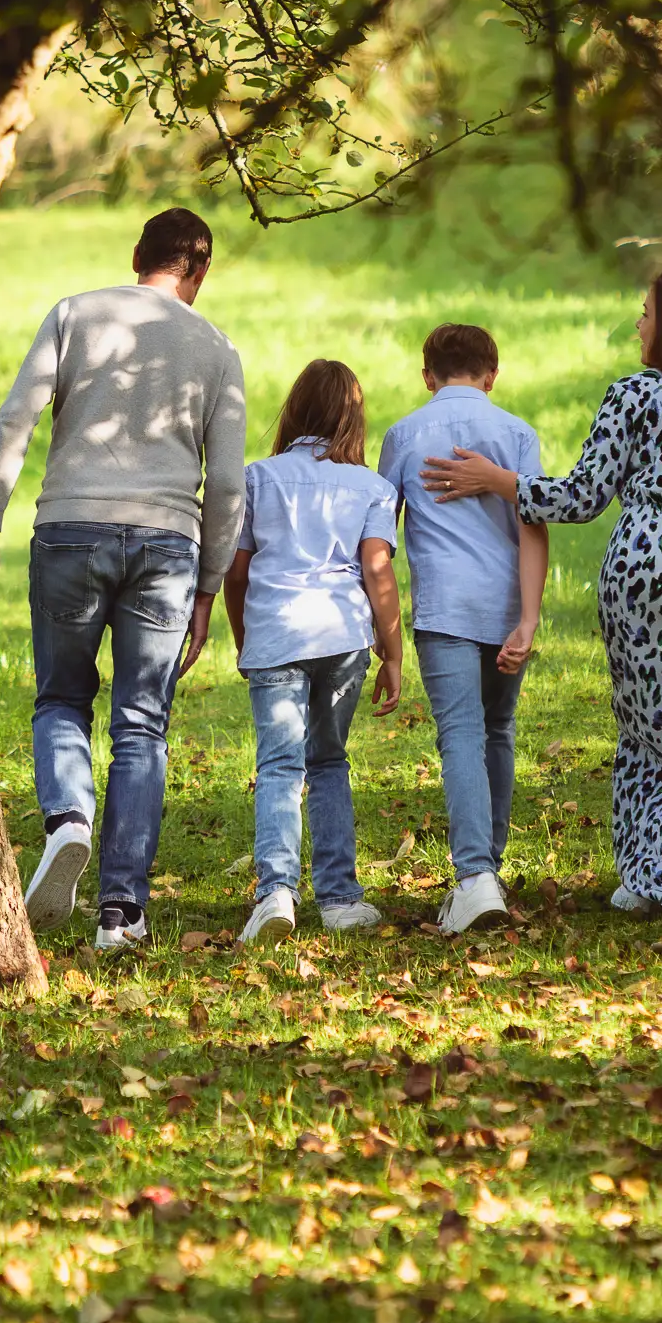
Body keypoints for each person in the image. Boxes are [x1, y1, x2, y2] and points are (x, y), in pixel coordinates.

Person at [423, 271, 662, 934]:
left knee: (655, 726)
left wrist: (499, 481)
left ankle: (650, 874)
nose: (638, 324)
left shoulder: (632, 395)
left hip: (646, 579)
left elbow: (581, 497)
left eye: (646, 313)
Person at [0, 207, 246, 951]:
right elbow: (226, 482)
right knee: (142, 723)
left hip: (70, 529)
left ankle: (68, 818)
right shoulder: (217, 349)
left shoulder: (73, 315)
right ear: (200, 270)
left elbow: (16, 419)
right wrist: (210, 584)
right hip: (167, 544)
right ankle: (121, 913)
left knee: (63, 695)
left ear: (136, 256)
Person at [377, 323, 549, 935]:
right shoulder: (517, 434)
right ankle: (487, 872)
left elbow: (379, 537)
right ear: (492, 375)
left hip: (445, 607)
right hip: (505, 607)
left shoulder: (404, 436)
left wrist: (379, 631)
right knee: (497, 729)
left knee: (460, 736)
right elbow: (534, 524)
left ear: (428, 377)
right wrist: (528, 618)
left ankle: (476, 877)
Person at [224, 360, 402, 945]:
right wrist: (393, 652)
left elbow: (236, 571)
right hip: (343, 636)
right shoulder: (372, 488)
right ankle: (340, 897)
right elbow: (378, 572)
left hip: (276, 632)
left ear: (294, 410)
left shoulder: (257, 480)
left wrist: (245, 637)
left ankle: (276, 893)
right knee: (328, 761)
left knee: (279, 765)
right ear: (353, 419)